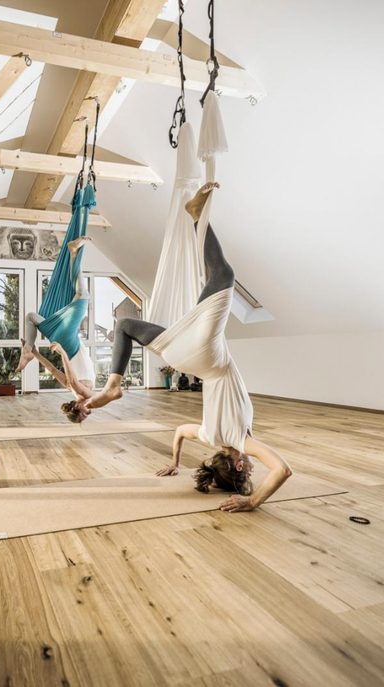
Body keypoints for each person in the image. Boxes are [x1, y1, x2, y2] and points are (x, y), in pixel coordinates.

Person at [85, 183, 292, 511]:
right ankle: (113, 385)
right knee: (125, 326)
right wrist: (176, 463)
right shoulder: (209, 436)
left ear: (238, 464)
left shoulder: (239, 441)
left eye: (249, 469)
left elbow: (283, 469)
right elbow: (181, 431)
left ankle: (197, 216)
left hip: (206, 355)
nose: (253, 466)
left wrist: (253, 501)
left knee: (224, 273)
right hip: (182, 358)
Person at [16, 236, 95, 423]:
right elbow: (50, 369)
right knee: (31, 317)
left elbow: (74, 380)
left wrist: (61, 353)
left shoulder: (81, 393)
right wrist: (35, 353)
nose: (88, 411)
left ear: (77, 406)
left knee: (83, 295)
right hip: (58, 337)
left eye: (84, 413)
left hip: (66, 341)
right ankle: (27, 350)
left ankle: (74, 252)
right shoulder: (68, 387)